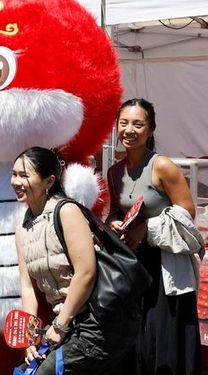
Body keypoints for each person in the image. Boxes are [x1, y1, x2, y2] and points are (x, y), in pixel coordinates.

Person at [12, 146, 139, 374]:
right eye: (14, 174)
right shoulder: (23, 226)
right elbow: (27, 285)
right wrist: (30, 336)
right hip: (67, 322)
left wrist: (60, 325)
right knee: (25, 370)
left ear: (49, 181)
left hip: (97, 321)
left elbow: (86, 273)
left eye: (24, 175)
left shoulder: (66, 211)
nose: (16, 182)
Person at [106, 98, 200, 375]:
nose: (129, 130)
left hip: (165, 264)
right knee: (136, 334)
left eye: (138, 124)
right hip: (131, 264)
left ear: (151, 129)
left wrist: (147, 227)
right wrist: (114, 223)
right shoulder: (114, 172)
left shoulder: (162, 166)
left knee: (164, 333)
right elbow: (114, 210)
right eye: (123, 123)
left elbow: (188, 211)